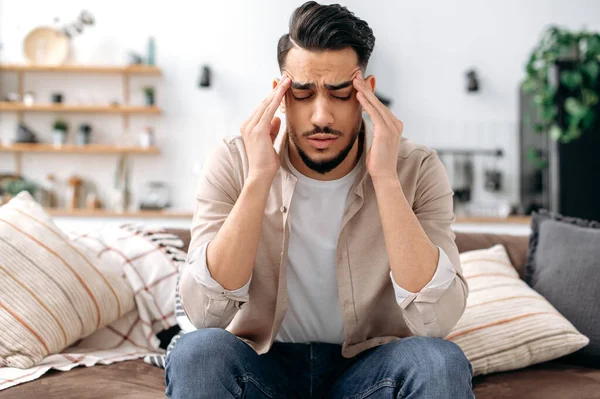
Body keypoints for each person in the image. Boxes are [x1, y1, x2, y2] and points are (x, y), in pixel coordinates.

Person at [166, 2, 473, 398]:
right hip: (263, 364)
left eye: (341, 93)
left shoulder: (417, 167)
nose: (322, 116)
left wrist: (384, 177)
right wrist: (259, 178)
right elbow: (205, 313)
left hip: (371, 368)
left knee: (439, 361)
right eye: (303, 93)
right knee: (197, 352)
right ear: (279, 95)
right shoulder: (234, 160)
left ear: (366, 93)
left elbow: (438, 322)